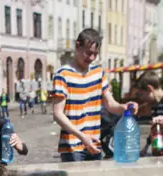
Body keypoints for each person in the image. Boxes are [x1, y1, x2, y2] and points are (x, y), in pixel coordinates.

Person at [51, 28, 136, 162]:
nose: (91, 58)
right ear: (77, 46)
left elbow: (110, 104)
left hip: (95, 143)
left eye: (95, 54)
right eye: (88, 53)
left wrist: (124, 107)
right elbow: (58, 114)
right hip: (72, 148)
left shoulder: (98, 73)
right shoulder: (63, 75)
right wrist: (81, 136)